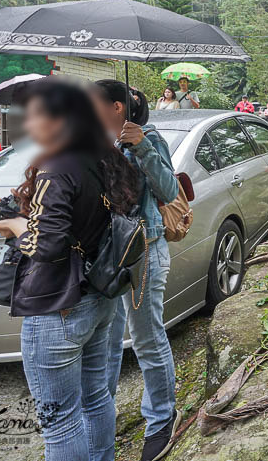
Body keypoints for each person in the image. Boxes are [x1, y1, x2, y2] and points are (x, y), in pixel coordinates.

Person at [0, 79, 140, 461]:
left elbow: (47, 247)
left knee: (61, 420)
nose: (29, 126)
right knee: (96, 397)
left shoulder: (57, 168)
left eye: (36, 117)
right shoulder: (105, 158)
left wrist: (15, 227)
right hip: (98, 299)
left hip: (58, 308)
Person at [90, 80, 181, 461]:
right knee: (107, 340)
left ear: (116, 107)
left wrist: (141, 145)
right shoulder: (97, 140)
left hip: (144, 249)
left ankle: (162, 417)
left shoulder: (149, 138)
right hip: (107, 254)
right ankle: (101, 415)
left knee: (145, 337)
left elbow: (169, 189)